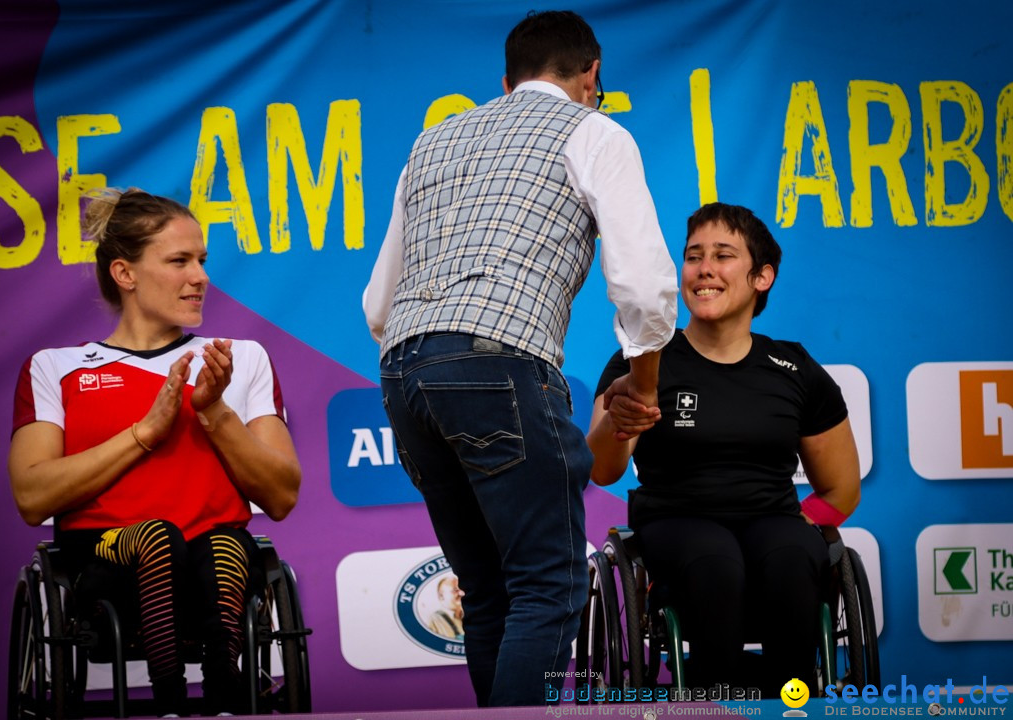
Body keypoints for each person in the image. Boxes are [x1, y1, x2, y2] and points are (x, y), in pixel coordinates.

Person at [362, 10, 677, 706]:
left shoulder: (432, 141)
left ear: (506, 82)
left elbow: (379, 304)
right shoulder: (595, 130)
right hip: (496, 362)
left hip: (404, 370)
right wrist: (642, 386)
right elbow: (643, 282)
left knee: (489, 588)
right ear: (592, 73)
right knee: (549, 584)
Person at [9, 187, 301, 717]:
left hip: (217, 569)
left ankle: (223, 696)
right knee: (155, 537)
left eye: (202, 261)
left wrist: (213, 412)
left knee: (224, 544)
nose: (201, 277)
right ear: (126, 274)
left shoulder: (239, 359)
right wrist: (145, 432)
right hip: (106, 565)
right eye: (179, 261)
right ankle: (170, 701)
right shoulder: (55, 367)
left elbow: (281, 496)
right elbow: (32, 497)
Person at [587, 202, 861, 697]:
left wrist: (808, 518)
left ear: (762, 277)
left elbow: (841, 489)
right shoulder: (643, 359)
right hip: (675, 522)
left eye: (723, 255)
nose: (704, 269)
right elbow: (603, 469)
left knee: (795, 554)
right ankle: (714, 701)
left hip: (770, 518)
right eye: (694, 256)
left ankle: (793, 699)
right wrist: (621, 423)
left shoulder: (794, 369)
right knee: (714, 558)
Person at [425, 575, 465, 640]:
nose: (461, 593)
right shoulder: (436, 619)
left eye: (462, 589)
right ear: (441, 596)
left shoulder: (465, 616)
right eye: (455, 590)